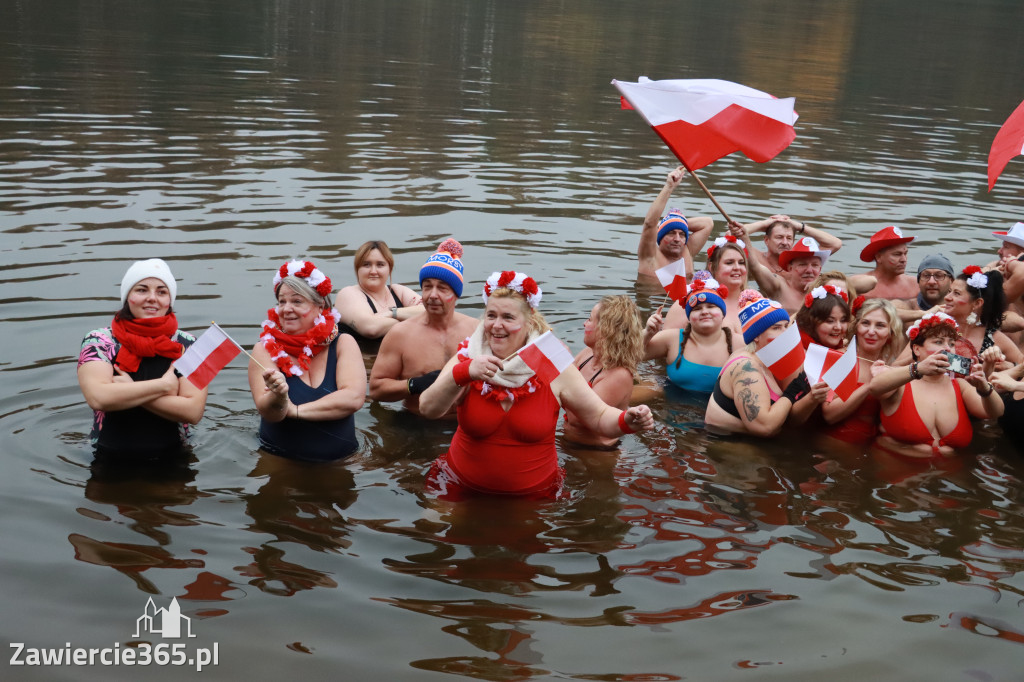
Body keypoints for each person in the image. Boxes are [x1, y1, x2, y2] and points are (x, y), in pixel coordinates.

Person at [419, 271, 654, 498]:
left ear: (529, 322)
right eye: (491, 315)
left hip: (534, 499)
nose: (496, 325)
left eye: (508, 317)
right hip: (459, 486)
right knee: (435, 531)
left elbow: (600, 416)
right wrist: (464, 373)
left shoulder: (553, 360)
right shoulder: (468, 355)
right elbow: (428, 408)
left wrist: (628, 420)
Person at [77, 259, 207, 461]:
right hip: (107, 454)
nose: (152, 298)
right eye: (142, 290)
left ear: (169, 301)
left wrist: (128, 389)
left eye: (162, 292)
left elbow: (193, 411)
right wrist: (163, 386)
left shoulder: (188, 344)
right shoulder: (100, 340)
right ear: (128, 296)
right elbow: (98, 397)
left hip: (174, 455)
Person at [248, 260, 366, 462]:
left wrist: (295, 411)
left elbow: (353, 398)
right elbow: (270, 413)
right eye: (282, 302)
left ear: (320, 305)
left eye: (297, 301)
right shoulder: (264, 349)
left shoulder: (344, 343)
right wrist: (278, 396)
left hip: (342, 463)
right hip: (281, 463)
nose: (286, 309)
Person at [869, 312, 1003, 458]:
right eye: (938, 342)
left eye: (951, 344)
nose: (947, 348)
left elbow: (995, 412)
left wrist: (984, 387)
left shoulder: (960, 385)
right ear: (916, 349)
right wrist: (918, 369)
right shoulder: (900, 379)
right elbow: (875, 388)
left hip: (949, 475)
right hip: (898, 473)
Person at [368, 239, 478, 415]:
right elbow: (375, 390)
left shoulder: (477, 331)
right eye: (427, 287)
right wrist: (413, 385)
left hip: (464, 427)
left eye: (442, 288)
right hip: (417, 425)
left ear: (456, 294)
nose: (433, 295)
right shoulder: (401, 334)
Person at [705, 295, 828, 436]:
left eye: (786, 326)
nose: (784, 333)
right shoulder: (746, 367)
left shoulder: (764, 359)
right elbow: (764, 427)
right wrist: (792, 393)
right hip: (728, 445)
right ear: (756, 336)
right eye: (776, 328)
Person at [564, 295, 645, 448]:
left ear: (605, 330)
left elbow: (577, 418)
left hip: (596, 452)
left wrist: (562, 364)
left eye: (589, 319)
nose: (584, 323)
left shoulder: (619, 375)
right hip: (569, 441)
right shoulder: (587, 353)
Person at [822, 298, 903, 444]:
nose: (871, 331)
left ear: (890, 333)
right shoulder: (840, 359)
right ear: (856, 327)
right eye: (865, 323)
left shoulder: (889, 365)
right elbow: (829, 415)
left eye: (880, 325)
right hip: (836, 445)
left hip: (872, 448)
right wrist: (871, 385)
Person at [645, 277, 733, 393]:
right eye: (697, 309)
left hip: (719, 410)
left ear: (723, 313)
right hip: (673, 407)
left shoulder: (740, 344)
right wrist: (647, 333)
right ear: (689, 318)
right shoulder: (672, 339)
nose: (705, 311)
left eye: (711, 307)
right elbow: (626, 355)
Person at [335, 240, 424, 340]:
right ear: (357, 269)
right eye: (366, 265)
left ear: (389, 268)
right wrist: (411, 318)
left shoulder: (398, 291)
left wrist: (392, 313)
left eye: (380, 265)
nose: (373, 271)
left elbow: (429, 311)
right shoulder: (348, 294)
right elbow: (371, 328)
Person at [637, 166, 714, 279]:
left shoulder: (687, 251)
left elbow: (708, 223)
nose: (677, 239)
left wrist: (674, 222)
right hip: (653, 296)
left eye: (682, 234)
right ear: (660, 236)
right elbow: (649, 224)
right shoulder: (650, 256)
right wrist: (669, 187)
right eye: (671, 233)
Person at [664, 235, 750, 333]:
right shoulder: (692, 300)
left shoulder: (754, 301)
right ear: (712, 267)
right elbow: (665, 344)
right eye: (729, 263)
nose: (737, 267)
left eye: (741, 263)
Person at [940, 266, 1022, 368]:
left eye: (956, 293)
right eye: (949, 291)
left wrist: (1011, 366)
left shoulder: (994, 338)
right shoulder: (935, 328)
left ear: (977, 303)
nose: (947, 297)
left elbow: (1021, 366)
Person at [746, 235, 832, 312]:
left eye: (814, 265)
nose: (809, 270)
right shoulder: (779, 286)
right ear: (790, 268)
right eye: (803, 264)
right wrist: (744, 236)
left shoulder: (827, 291)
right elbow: (755, 266)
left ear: (820, 269)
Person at [734, 214, 842, 274]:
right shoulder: (755, 257)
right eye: (779, 237)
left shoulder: (800, 261)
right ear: (766, 240)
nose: (785, 242)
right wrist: (764, 224)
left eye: (789, 238)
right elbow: (730, 236)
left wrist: (800, 227)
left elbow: (835, 244)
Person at [859, 225, 919, 300]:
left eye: (905, 253)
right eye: (897, 254)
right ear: (878, 257)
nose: (904, 259)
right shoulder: (859, 286)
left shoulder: (916, 285)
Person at [891, 253, 955, 322]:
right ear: (918, 281)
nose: (931, 281)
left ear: (951, 281)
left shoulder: (961, 309)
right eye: (926, 275)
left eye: (939, 276)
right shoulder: (907, 307)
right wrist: (924, 314)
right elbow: (882, 311)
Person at [795, 284, 851, 350]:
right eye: (830, 321)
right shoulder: (796, 352)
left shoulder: (847, 350)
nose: (838, 327)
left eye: (843, 320)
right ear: (810, 322)